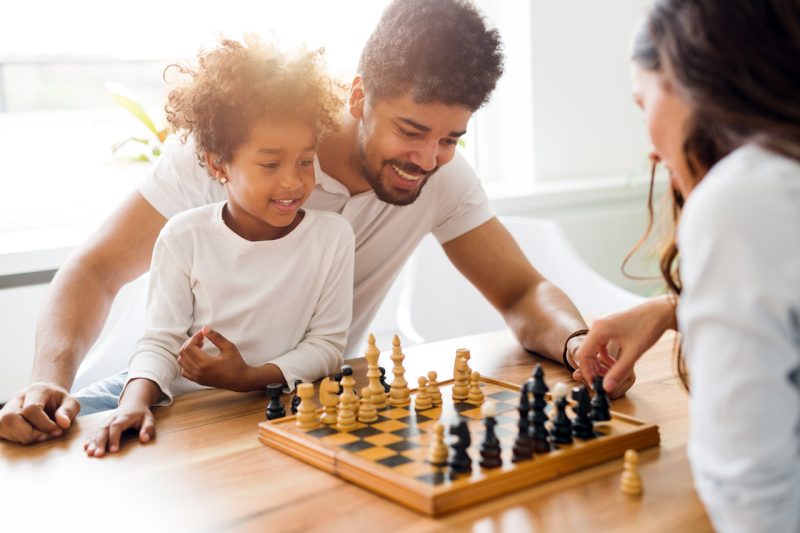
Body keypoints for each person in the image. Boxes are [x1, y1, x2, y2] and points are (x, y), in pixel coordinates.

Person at [0, 0, 632, 446]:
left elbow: (522, 292)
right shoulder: (239, 152)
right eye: (411, 131)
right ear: (359, 98)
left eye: (451, 138)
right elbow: (97, 267)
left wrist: (578, 344)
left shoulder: (444, 177)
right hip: (171, 397)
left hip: (297, 408)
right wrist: (45, 382)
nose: (429, 160)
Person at [574, 1, 800, 531]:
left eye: (641, 102)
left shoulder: (744, 195)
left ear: (689, 81)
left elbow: (749, 495)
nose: (650, 151)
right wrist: (674, 308)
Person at [78, 36, 354, 456]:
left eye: (305, 160)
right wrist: (133, 404)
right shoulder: (183, 235)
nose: (294, 181)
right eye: (269, 163)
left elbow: (327, 348)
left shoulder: (332, 237)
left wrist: (248, 376)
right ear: (217, 163)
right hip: (161, 389)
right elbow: (160, 343)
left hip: (261, 396)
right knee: (53, 421)